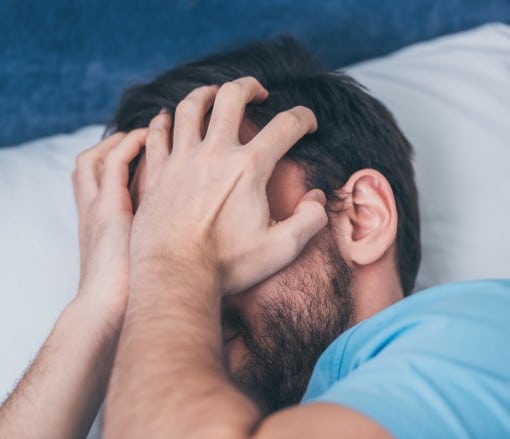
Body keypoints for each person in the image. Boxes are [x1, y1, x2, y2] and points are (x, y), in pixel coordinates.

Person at [0, 39, 508, 439]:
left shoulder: (479, 332)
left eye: (213, 214)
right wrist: (97, 308)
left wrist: (174, 261)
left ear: (360, 217)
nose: (195, 287)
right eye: (145, 236)